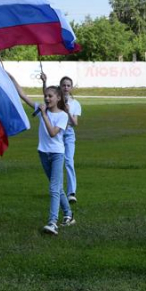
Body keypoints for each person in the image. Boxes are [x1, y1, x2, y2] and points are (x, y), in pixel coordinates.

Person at [10, 72, 74, 235]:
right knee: (57, 187)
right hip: (43, 153)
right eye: (45, 96)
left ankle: (53, 222)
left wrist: (44, 114)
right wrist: (10, 77)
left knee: (53, 188)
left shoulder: (63, 116)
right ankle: (68, 215)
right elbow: (23, 95)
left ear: (58, 98)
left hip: (57, 154)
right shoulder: (41, 108)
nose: (46, 99)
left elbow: (53, 133)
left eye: (50, 96)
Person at [59, 76, 81, 204]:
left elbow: (75, 123)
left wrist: (68, 112)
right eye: (64, 85)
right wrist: (44, 82)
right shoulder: (56, 101)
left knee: (69, 161)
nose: (66, 87)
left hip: (68, 134)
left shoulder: (75, 104)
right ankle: (58, 189)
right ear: (60, 87)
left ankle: (71, 192)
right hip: (57, 134)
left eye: (68, 85)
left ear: (71, 87)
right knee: (57, 162)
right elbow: (46, 95)